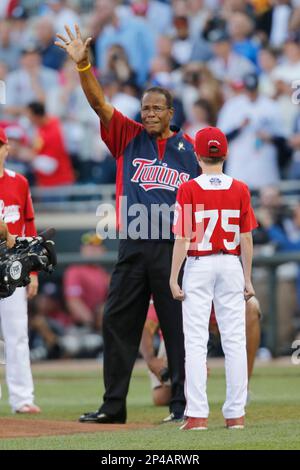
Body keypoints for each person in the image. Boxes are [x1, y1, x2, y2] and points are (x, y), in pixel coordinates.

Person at [55, 24, 200, 424]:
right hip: (133, 244)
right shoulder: (128, 136)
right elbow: (99, 104)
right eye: (145, 108)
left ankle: (183, 405)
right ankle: (113, 406)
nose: (149, 113)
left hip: (173, 248)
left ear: (171, 112)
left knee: (177, 328)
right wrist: (84, 66)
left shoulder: (189, 152)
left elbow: (200, 203)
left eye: (157, 108)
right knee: (118, 321)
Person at [170, 127, 258, 430]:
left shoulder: (189, 188)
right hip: (231, 263)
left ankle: (197, 414)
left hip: (199, 262)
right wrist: (247, 278)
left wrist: (173, 278)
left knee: (195, 341)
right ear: (226, 153)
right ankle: (235, 414)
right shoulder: (240, 188)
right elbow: (246, 238)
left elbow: (182, 238)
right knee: (234, 340)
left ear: (197, 154)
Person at [0, 127, 40, 414]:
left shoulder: (19, 182)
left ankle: (22, 398)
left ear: (7, 148)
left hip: (12, 266)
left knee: (16, 334)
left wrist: (33, 271)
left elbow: (29, 227)